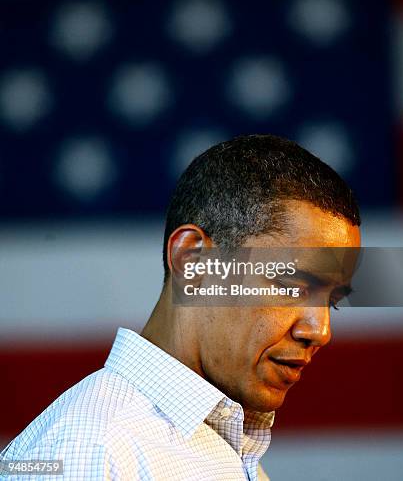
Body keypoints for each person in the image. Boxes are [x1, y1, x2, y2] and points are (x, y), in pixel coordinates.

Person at [0, 135, 361, 480]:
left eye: (331, 301)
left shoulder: (220, 444)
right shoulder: (93, 451)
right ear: (192, 260)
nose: (321, 331)